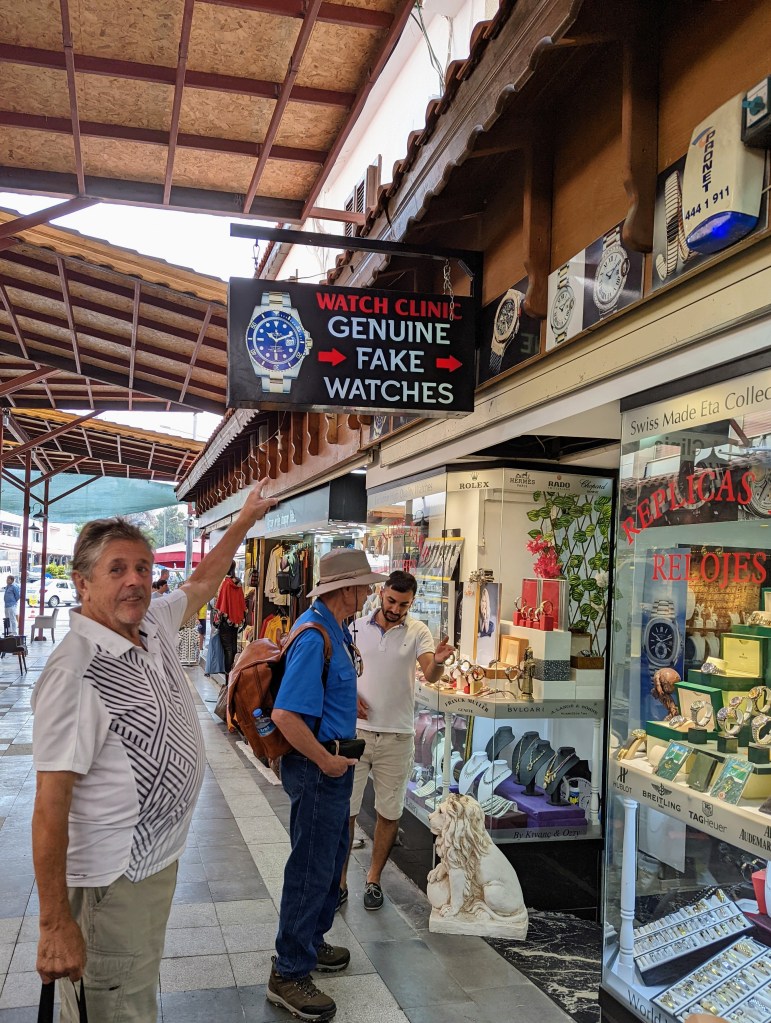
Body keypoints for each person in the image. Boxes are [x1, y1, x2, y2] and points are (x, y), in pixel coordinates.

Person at [30, 481, 276, 1023]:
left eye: (142, 568)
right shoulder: (76, 671)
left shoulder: (154, 624)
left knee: (131, 993)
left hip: (152, 864)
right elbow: (49, 805)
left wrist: (244, 520)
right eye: (117, 569)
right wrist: (54, 923)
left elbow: (204, 581)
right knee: (116, 1007)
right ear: (82, 582)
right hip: (112, 880)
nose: (135, 580)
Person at [268, 548, 387, 1022]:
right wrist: (325, 760)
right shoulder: (315, 634)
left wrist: (344, 697)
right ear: (347, 589)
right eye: (365, 585)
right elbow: (285, 714)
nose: (370, 592)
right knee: (311, 869)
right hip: (319, 769)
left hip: (332, 767)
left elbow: (320, 689)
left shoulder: (332, 628)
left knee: (331, 858)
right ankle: (289, 972)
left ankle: (310, 943)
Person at [339, 570, 454, 911]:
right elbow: (340, 673)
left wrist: (438, 663)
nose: (395, 609)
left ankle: (373, 880)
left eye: (403, 604)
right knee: (345, 812)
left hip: (398, 735)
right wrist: (349, 697)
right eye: (391, 601)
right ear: (381, 594)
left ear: (411, 603)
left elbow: (430, 674)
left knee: (389, 813)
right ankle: (339, 882)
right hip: (356, 733)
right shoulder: (356, 627)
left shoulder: (418, 631)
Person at [214, 562, 246, 680]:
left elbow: (221, 605)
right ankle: (233, 675)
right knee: (233, 647)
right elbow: (241, 602)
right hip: (235, 621)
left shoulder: (226, 583)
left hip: (226, 621)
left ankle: (228, 678)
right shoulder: (238, 584)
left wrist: (218, 616)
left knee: (227, 649)